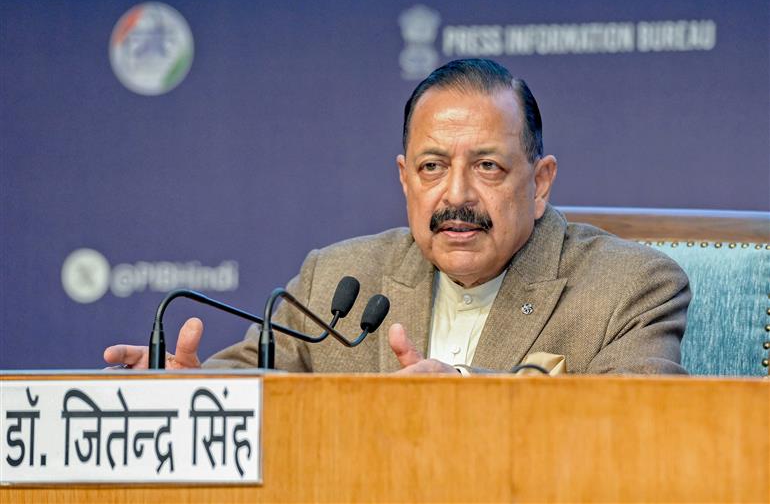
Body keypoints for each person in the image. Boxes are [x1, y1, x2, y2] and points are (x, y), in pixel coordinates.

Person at [104, 59, 690, 375]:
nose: (455, 196)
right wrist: (191, 391)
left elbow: (639, 424)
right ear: (405, 178)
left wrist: (464, 394)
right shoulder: (336, 279)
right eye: (433, 167)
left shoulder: (629, 287)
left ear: (539, 183)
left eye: (487, 166)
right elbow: (256, 379)